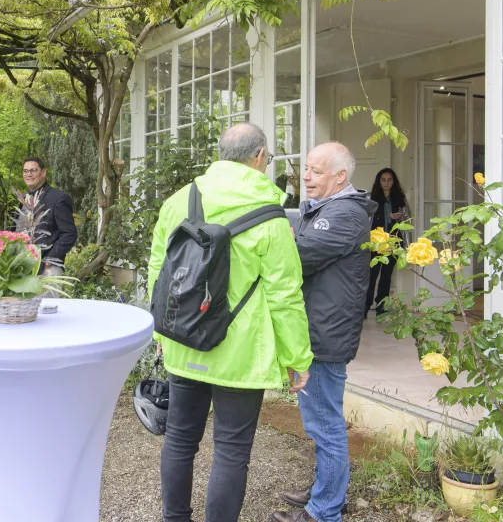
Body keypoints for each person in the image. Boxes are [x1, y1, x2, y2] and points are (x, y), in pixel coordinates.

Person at [149, 123, 312, 522]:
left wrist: (160, 331)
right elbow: (285, 295)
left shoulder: (178, 202)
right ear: (259, 158)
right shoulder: (270, 217)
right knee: (231, 452)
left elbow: (159, 273)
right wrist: (297, 357)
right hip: (240, 353)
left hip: (186, 339)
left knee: (180, 439)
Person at [272, 143, 377, 522]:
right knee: (318, 421)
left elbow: (296, 256)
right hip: (316, 330)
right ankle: (325, 490)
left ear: (340, 177)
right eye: (306, 169)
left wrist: (284, 235)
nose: (306, 176)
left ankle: (325, 510)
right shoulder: (323, 210)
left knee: (325, 423)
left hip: (325, 336)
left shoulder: (345, 214)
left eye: (316, 171)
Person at [18, 157, 77, 274]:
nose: (28, 174)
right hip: (22, 267)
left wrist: (50, 259)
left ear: (43, 172)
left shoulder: (58, 198)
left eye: (33, 170)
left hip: (47, 269)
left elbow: (69, 233)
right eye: (25, 171)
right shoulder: (23, 199)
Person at [366, 168, 409, 318]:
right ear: (379, 181)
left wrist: (399, 216)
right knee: (371, 275)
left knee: (386, 275)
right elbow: (366, 219)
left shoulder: (399, 198)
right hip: (375, 240)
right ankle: (365, 306)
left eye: (389, 180)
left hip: (393, 240)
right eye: (383, 180)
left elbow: (407, 219)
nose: (386, 183)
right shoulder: (372, 198)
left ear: (393, 181)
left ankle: (381, 306)